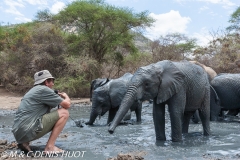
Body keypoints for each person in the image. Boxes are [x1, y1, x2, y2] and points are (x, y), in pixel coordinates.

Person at [12, 70, 71, 154]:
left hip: (18, 133)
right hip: (27, 130)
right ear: (46, 82)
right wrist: (66, 96)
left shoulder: (32, 91)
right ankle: (50, 147)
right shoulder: (44, 90)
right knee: (64, 113)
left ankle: (25, 142)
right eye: (52, 81)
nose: (53, 84)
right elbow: (67, 105)